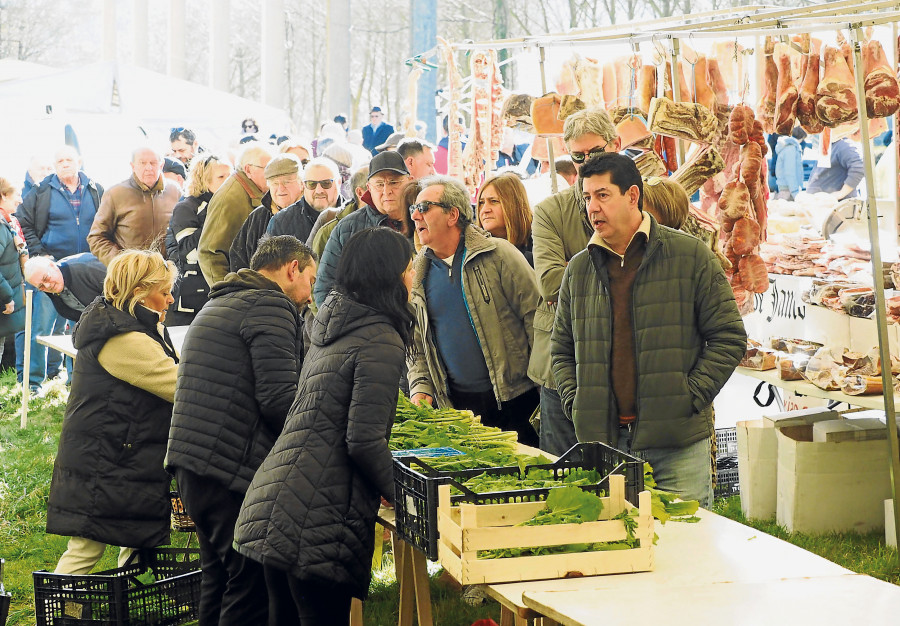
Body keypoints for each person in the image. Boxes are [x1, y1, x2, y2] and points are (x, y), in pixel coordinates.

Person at [233, 227, 414, 625]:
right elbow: (364, 441)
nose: (413, 274)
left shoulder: (331, 325)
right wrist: (406, 497)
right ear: (390, 274)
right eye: (409, 265)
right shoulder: (381, 337)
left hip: (275, 498)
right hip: (317, 516)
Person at [550, 153, 746, 507]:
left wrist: (688, 396)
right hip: (606, 446)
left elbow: (728, 337)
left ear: (632, 196)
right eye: (587, 197)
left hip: (677, 443)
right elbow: (561, 349)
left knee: (688, 545)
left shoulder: (689, 256)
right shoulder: (579, 270)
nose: (592, 207)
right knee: (620, 552)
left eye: (602, 195)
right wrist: (575, 399)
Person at [165, 235, 317, 626]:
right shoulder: (271, 305)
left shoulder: (224, 300)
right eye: (311, 280)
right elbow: (279, 400)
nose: (311, 293)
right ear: (292, 268)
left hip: (191, 464)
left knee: (218, 577)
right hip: (227, 470)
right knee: (249, 586)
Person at [46, 250, 178, 574]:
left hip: (120, 453)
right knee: (86, 547)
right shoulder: (123, 338)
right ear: (139, 294)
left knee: (132, 537)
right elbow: (180, 385)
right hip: (105, 460)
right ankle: (62, 615)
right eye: (164, 292)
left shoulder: (128, 323)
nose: (171, 299)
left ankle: (124, 608)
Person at [408, 175, 540, 446]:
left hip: (517, 399)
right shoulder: (417, 274)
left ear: (452, 215)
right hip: (458, 409)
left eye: (423, 208)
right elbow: (416, 343)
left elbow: (535, 317)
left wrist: (545, 385)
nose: (415, 217)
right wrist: (420, 387)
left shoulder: (499, 254)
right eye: (413, 209)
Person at [530, 107, 621, 457]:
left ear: (615, 144)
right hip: (564, 365)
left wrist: (576, 266)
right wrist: (612, 264)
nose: (585, 162)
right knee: (564, 473)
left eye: (594, 152)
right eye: (577, 155)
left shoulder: (644, 199)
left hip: (624, 361)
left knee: (624, 477)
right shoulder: (550, 211)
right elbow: (551, 284)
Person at [16, 145, 103, 388]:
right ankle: (33, 385)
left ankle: (76, 382)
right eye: (60, 161)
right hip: (49, 271)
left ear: (79, 161)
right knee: (40, 329)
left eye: (69, 159)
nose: (65, 163)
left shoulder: (95, 189)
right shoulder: (42, 191)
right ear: (55, 166)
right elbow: (23, 222)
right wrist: (41, 254)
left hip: (83, 273)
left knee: (83, 330)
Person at [313, 151, 412, 306]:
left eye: (394, 182)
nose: (387, 191)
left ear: (410, 182)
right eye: (379, 184)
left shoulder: (422, 219)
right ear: (368, 188)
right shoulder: (347, 228)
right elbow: (324, 287)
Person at [164, 154, 232, 326]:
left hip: (219, 293)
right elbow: (190, 253)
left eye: (230, 176)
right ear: (205, 180)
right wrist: (215, 217)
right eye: (221, 177)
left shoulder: (231, 206)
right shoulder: (186, 208)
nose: (228, 181)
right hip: (188, 302)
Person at [88, 146, 180, 266]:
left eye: (153, 163)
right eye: (142, 163)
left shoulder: (175, 191)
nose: (149, 168)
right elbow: (96, 238)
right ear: (133, 166)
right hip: (130, 276)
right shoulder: (115, 194)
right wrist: (122, 264)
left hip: (166, 274)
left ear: (161, 165)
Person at [198, 144, 272, 285]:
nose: (271, 173)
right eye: (267, 168)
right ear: (248, 170)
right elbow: (209, 253)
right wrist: (224, 292)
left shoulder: (251, 191)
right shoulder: (230, 197)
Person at [230, 154, 305, 273]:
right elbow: (239, 260)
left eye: (287, 182)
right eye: (275, 183)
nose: (280, 188)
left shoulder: (311, 214)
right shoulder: (257, 217)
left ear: (301, 184)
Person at [265, 157, 341, 244]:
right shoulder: (281, 222)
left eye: (326, 183)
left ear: (338, 183)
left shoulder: (353, 213)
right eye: (312, 184)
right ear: (303, 185)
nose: (319, 190)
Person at [307, 166, 368, 259]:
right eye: (379, 186)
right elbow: (309, 264)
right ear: (360, 193)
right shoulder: (329, 219)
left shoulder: (394, 219)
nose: (385, 192)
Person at [23, 253, 106, 322]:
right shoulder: (56, 296)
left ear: (52, 266)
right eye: (41, 286)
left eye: (46, 278)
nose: (47, 286)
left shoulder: (87, 267)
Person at [476, 172, 534, 265]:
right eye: (481, 203)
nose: (485, 210)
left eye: (494, 201)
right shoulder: (472, 250)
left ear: (514, 204)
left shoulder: (540, 241)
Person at [0, 177, 27, 363]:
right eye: (17, 194)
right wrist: (7, 297)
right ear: (3, 195)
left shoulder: (7, 223)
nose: (21, 200)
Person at [806, 127, 864, 200]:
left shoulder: (844, 145)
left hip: (838, 206)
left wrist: (841, 193)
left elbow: (859, 167)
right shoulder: (828, 147)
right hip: (823, 205)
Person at [774, 126, 808, 201]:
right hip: (788, 191)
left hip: (787, 189)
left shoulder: (789, 147)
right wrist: (795, 192)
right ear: (802, 137)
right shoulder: (791, 149)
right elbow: (790, 172)